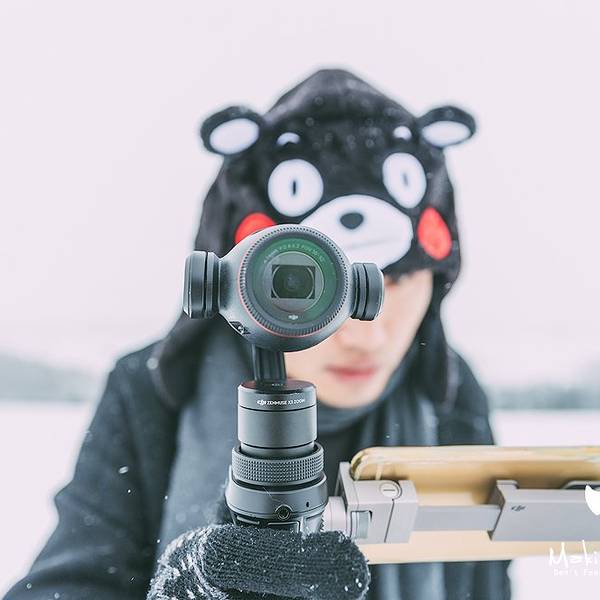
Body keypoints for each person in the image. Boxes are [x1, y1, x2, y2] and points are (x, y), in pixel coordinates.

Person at [4, 69, 511, 600]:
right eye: (320, 289)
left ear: (438, 278)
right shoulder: (152, 392)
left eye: (399, 279)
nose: (367, 335)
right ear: (236, 278)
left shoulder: (450, 397)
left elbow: (487, 586)